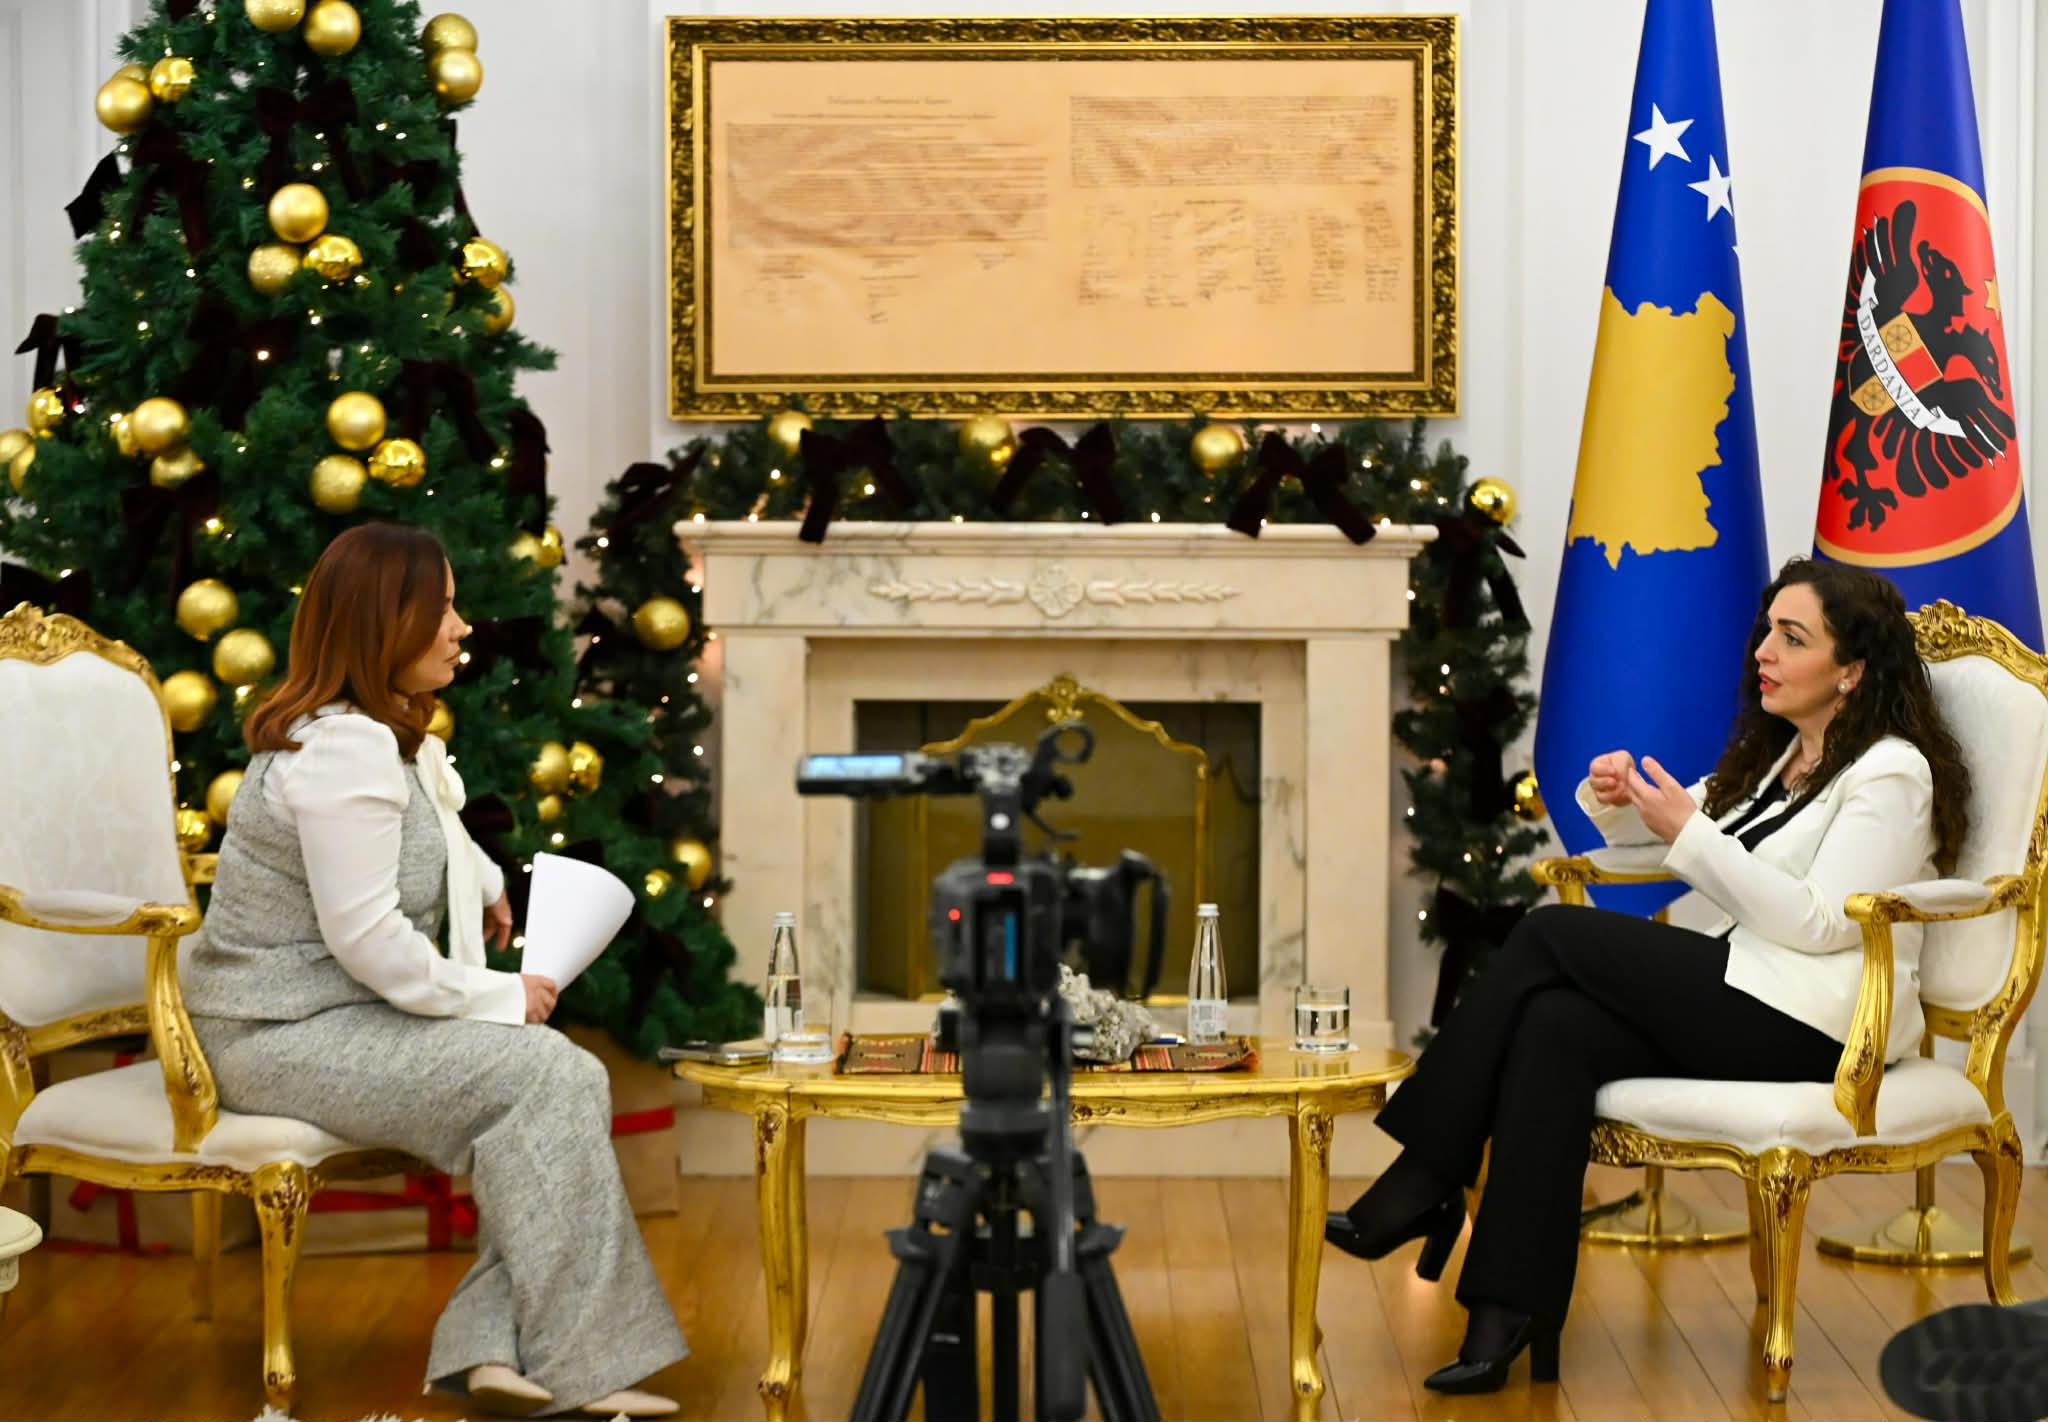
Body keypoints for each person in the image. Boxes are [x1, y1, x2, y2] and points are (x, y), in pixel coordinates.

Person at [1324, 557, 1971, 1394]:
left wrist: (1689, 834)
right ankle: (1505, 1312)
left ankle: (1424, 1177)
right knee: (1555, 1026)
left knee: (1551, 933)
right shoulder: (1782, 758)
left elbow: (1821, 921)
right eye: (1767, 631)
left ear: (1851, 670)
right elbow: (1653, 845)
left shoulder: (1891, 772)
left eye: (1792, 637)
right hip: (1750, 991)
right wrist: (1620, 798)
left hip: (1820, 1024)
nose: (1764, 651)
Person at [183, 524, 685, 1418]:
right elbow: (370, 941)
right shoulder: (342, 751)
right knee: (549, 1074)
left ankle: (493, 1351)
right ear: (385, 622)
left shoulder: (371, 731)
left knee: (546, 1083)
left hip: (329, 1018)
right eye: (442, 609)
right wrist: (500, 994)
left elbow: (415, 833)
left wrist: (484, 882)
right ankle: (581, 1370)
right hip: (275, 1034)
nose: (462, 627)